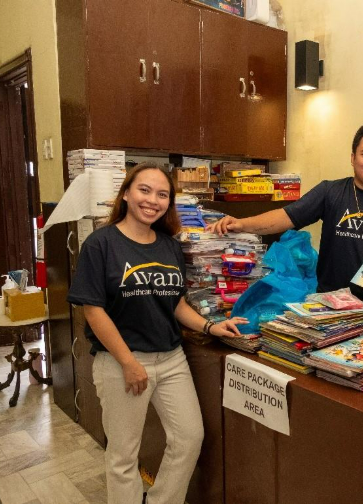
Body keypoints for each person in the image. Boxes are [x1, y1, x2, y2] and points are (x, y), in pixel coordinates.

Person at [67, 162, 247, 504]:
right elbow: (93, 309)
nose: (152, 200)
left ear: (170, 202)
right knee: (123, 456)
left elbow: (175, 304)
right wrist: (127, 362)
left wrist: (211, 326)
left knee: (190, 438)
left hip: (171, 358)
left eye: (162, 194)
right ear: (126, 194)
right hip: (122, 361)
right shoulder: (100, 244)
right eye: (144, 190)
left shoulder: (169, 246)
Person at [208, 124, 363, 338]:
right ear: (353, 157)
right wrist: (242, 224)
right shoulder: (330, 192)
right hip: (328, 311)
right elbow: (286, 216)